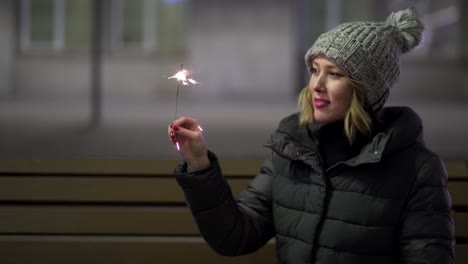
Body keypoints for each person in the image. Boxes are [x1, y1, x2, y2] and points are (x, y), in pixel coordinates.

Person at [167, 9, 455, 264]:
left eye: (334, 74)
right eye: (315, 70)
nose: (316, 85)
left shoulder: (417, 169)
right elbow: (236, 236)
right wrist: (199, 165)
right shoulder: (291, 147)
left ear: (365, 89)